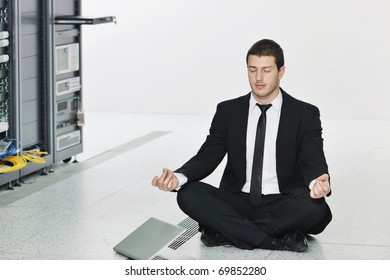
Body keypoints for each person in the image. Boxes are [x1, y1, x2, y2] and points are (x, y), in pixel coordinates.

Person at [152, 39, 332, 252]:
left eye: (266, 70)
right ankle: (274, 240)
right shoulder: (228, 111)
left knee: (313, 206)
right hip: (237, 200)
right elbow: (208, 155)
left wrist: (317, 181)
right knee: (188, 194)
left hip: (283, 201)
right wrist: (178, 177)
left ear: (281, 71)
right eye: (252, 69)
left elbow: (312, 158)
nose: (258, 78)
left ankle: (227, 231)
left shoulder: (305, 113)